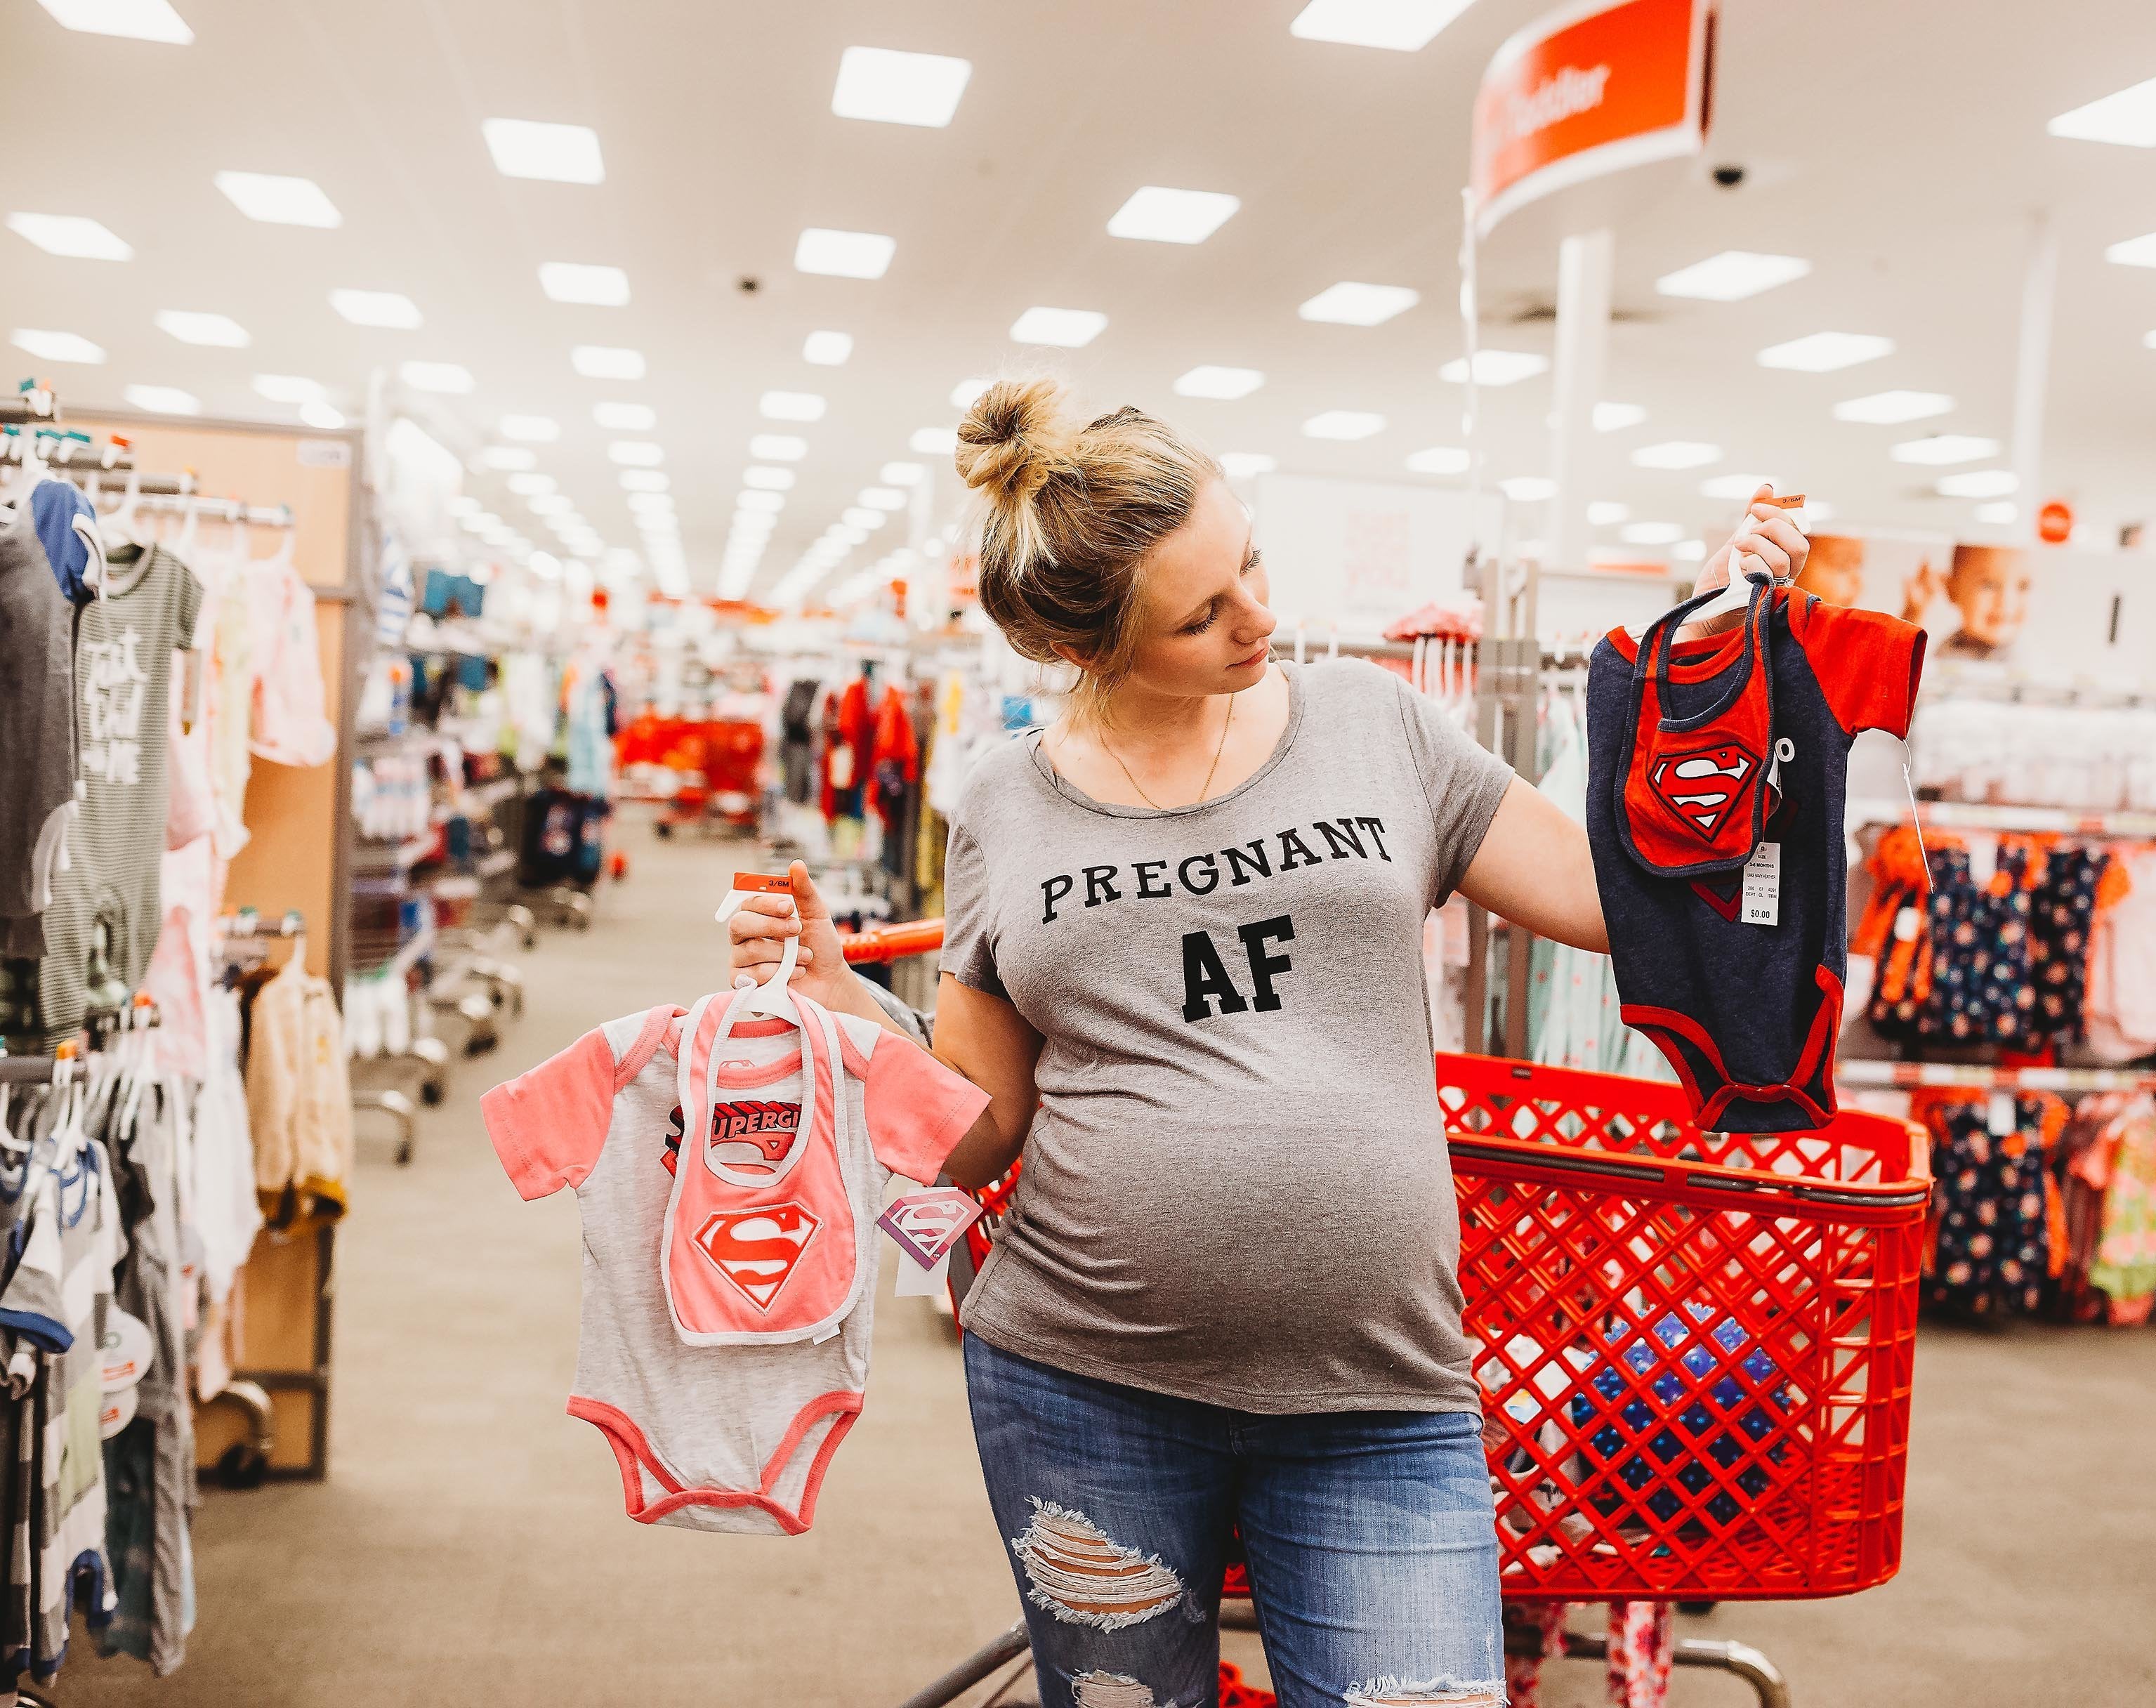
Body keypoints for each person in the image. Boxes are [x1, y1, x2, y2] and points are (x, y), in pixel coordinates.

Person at [727, 379, 1808, 1708]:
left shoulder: (1373, 723)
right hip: (1081, 1382)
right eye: (1201, 615)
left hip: (1382, 1392)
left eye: (1250, 563)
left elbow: (1609, 900)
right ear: (1083, 645)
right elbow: (978, 1125)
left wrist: (1700, 662)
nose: (1259, 617)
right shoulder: (1006, 802)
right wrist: (840, 1001)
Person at [1902, 542, 2031, 659]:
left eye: (2023, 586)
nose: (2007, 601)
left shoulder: (2024, 660)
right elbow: (1905, 665)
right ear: (1953, 591)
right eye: (1989, 585)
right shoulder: (1953, 646)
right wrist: (1915, 612)